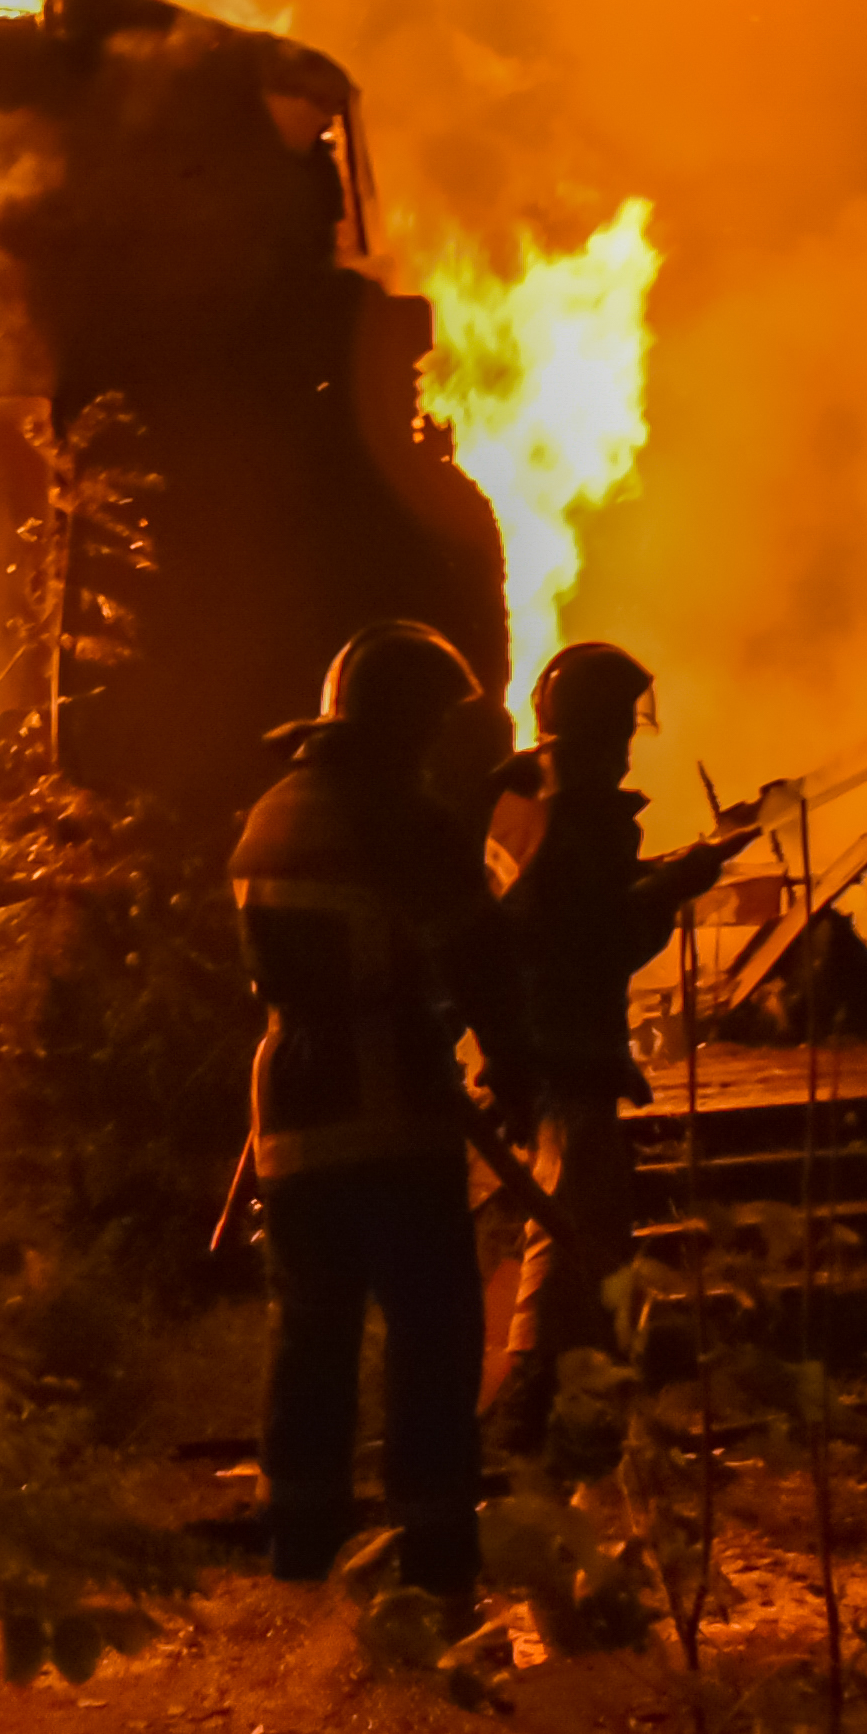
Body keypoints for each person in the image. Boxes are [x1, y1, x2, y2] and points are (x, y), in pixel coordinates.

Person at [229, 620, 530, 1602]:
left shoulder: (272, 810)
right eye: (433, 723)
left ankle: (299, 1551)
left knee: (309, 1333)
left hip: (289, 1112)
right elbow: (482, 960)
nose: (438, 744)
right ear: (402, 721)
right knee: (433, 1333)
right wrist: (516, 1068)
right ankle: (435, 1558)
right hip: (393, 1108)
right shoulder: (406, 820)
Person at [481, 640, 750, 1456]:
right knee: (570, 1230)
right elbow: (594, 935)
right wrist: (678, 883)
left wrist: (678, 864)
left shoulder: (523, 800)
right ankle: (530, 1403)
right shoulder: (575, 816)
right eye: (622, 731)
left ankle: (576, 1400)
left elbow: (570, 906)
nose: (629, 749)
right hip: (562, 1045)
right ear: (596, 728)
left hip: (531, 1041)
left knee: (581, 1225)